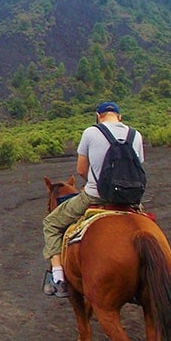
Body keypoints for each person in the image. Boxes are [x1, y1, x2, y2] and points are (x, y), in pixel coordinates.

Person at [42, 101, 145, 297]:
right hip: (131, 200)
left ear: (99, 116)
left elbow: (81, 169)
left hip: (95, 196)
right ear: (119, 117)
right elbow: (138, 168)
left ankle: (58, 279)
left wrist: (93, 183)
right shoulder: (136, 135)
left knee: (51, 223)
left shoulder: (91, 132)